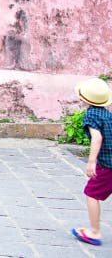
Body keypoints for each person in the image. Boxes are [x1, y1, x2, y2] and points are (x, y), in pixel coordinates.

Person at [72, 77, 112, 246]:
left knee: (91, 193)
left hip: (107, 165)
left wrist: (91, 162)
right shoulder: (106, 114)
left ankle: (94, 232)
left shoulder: (91, 115)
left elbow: (97, 138)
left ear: (83, 98)